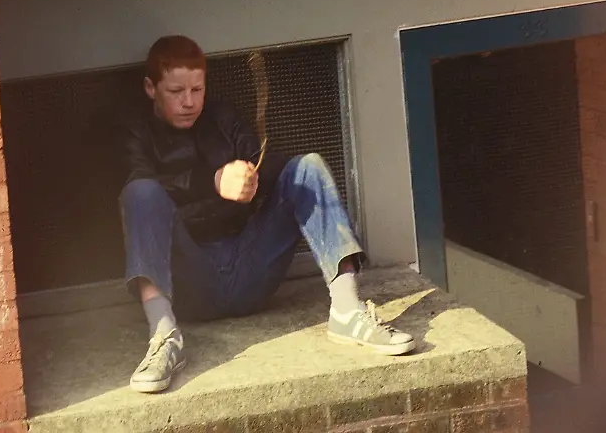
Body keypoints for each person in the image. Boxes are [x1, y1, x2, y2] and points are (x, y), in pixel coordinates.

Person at [117, 35, 414, 394]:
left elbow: (269, 162)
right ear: (151, 88)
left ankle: (347, 311)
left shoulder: (222, 116)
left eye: (197, 89)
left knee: (307, 167)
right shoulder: (134, 129)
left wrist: (251, 177)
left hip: (249, 268)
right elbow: (138, 182)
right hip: (189, 283)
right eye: (176, 90)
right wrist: (213, 181)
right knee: (140, 192)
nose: (189, 101)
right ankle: (164, 336)